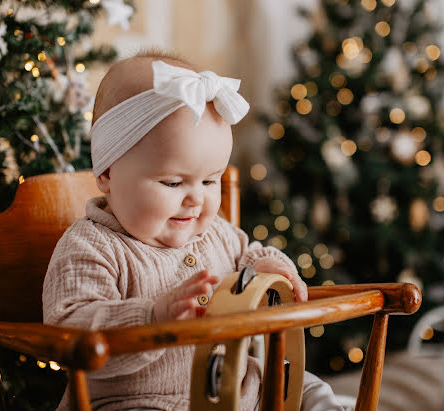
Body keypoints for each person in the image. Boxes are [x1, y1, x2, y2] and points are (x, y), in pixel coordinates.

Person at [42, 49, 344, 411]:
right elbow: (70, 332)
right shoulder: (92, 247)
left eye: (210, 181)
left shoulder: (216, 233)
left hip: (235, 392)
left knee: (303, 386)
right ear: (107, 172)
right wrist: (152, 316)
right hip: (137, 402)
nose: (195, 200)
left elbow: (252, 253)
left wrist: (270, 268)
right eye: (172, 183)